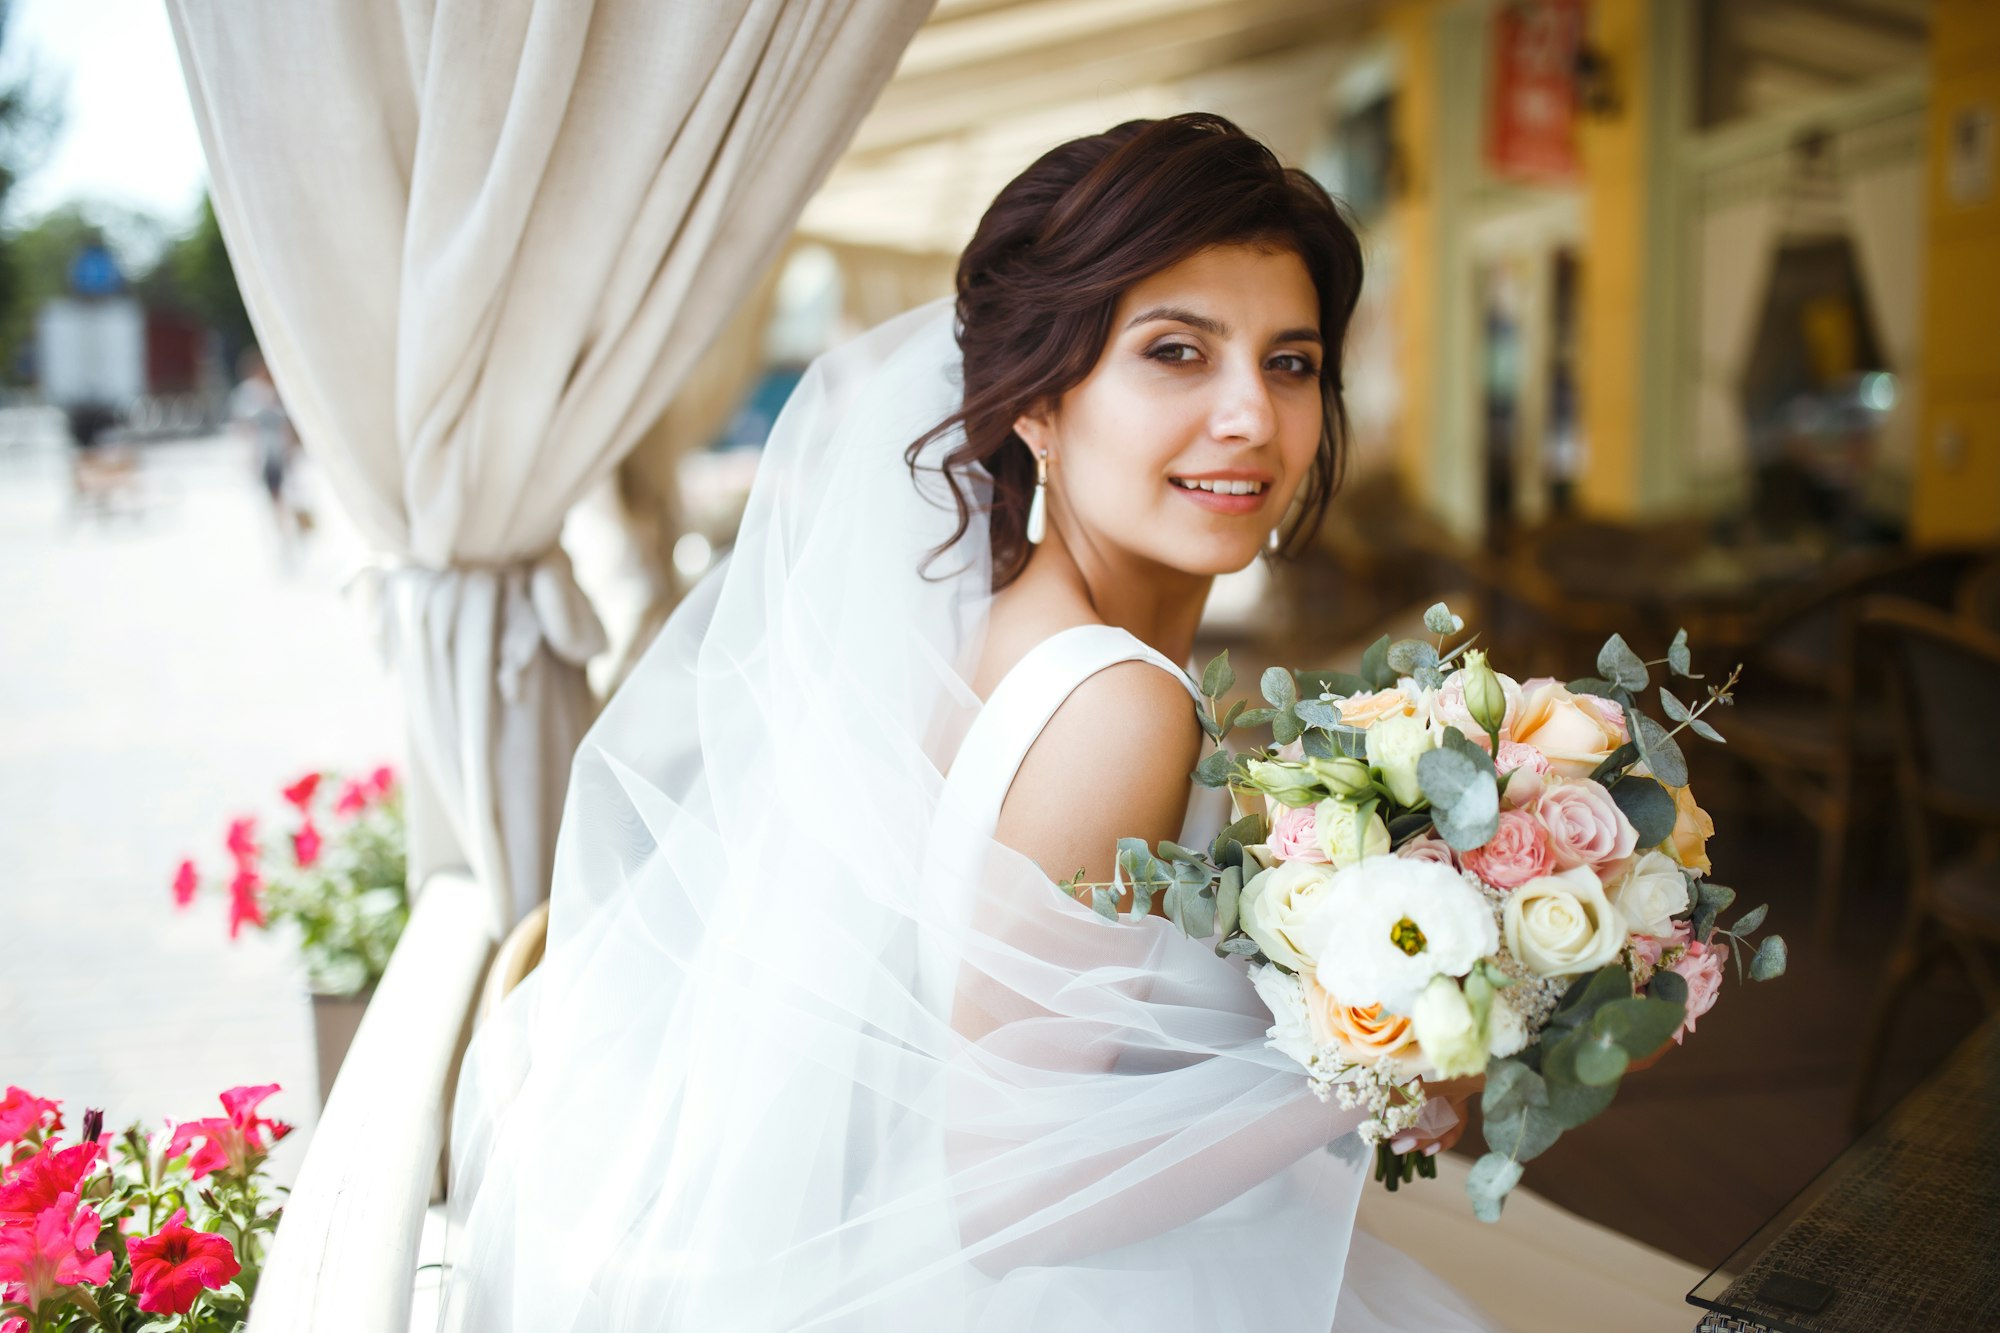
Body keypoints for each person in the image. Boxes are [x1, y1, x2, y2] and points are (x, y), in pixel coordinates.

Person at [438, 113, 1498, 1331]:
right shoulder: (1117, 707)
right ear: (1038, 403)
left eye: (1290, 362)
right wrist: (1374, 1064)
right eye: (1174, 353)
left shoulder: (995, 633)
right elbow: (1007, 1196)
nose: (1249, 417)